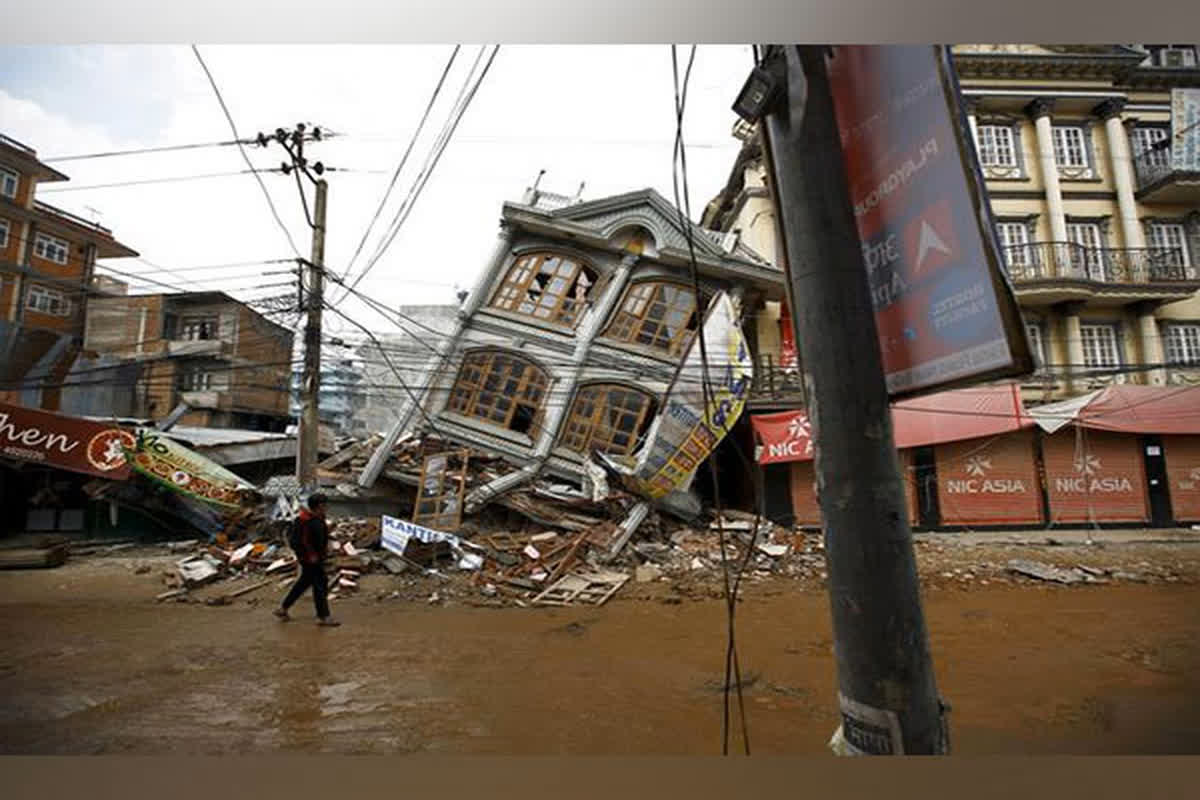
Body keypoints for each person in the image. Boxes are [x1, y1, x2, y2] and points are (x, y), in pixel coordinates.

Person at [274, 493, 341, 626]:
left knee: (304, 583)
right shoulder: (304, 520)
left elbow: (320, 535)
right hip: (310, 558)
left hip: (316, 556)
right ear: (319, 506)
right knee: (320, 584)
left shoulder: (318, 518)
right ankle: (323, 616)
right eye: (325, 504)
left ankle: (283, 608)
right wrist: (310, 556)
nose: (327, 507)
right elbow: (301, 541)